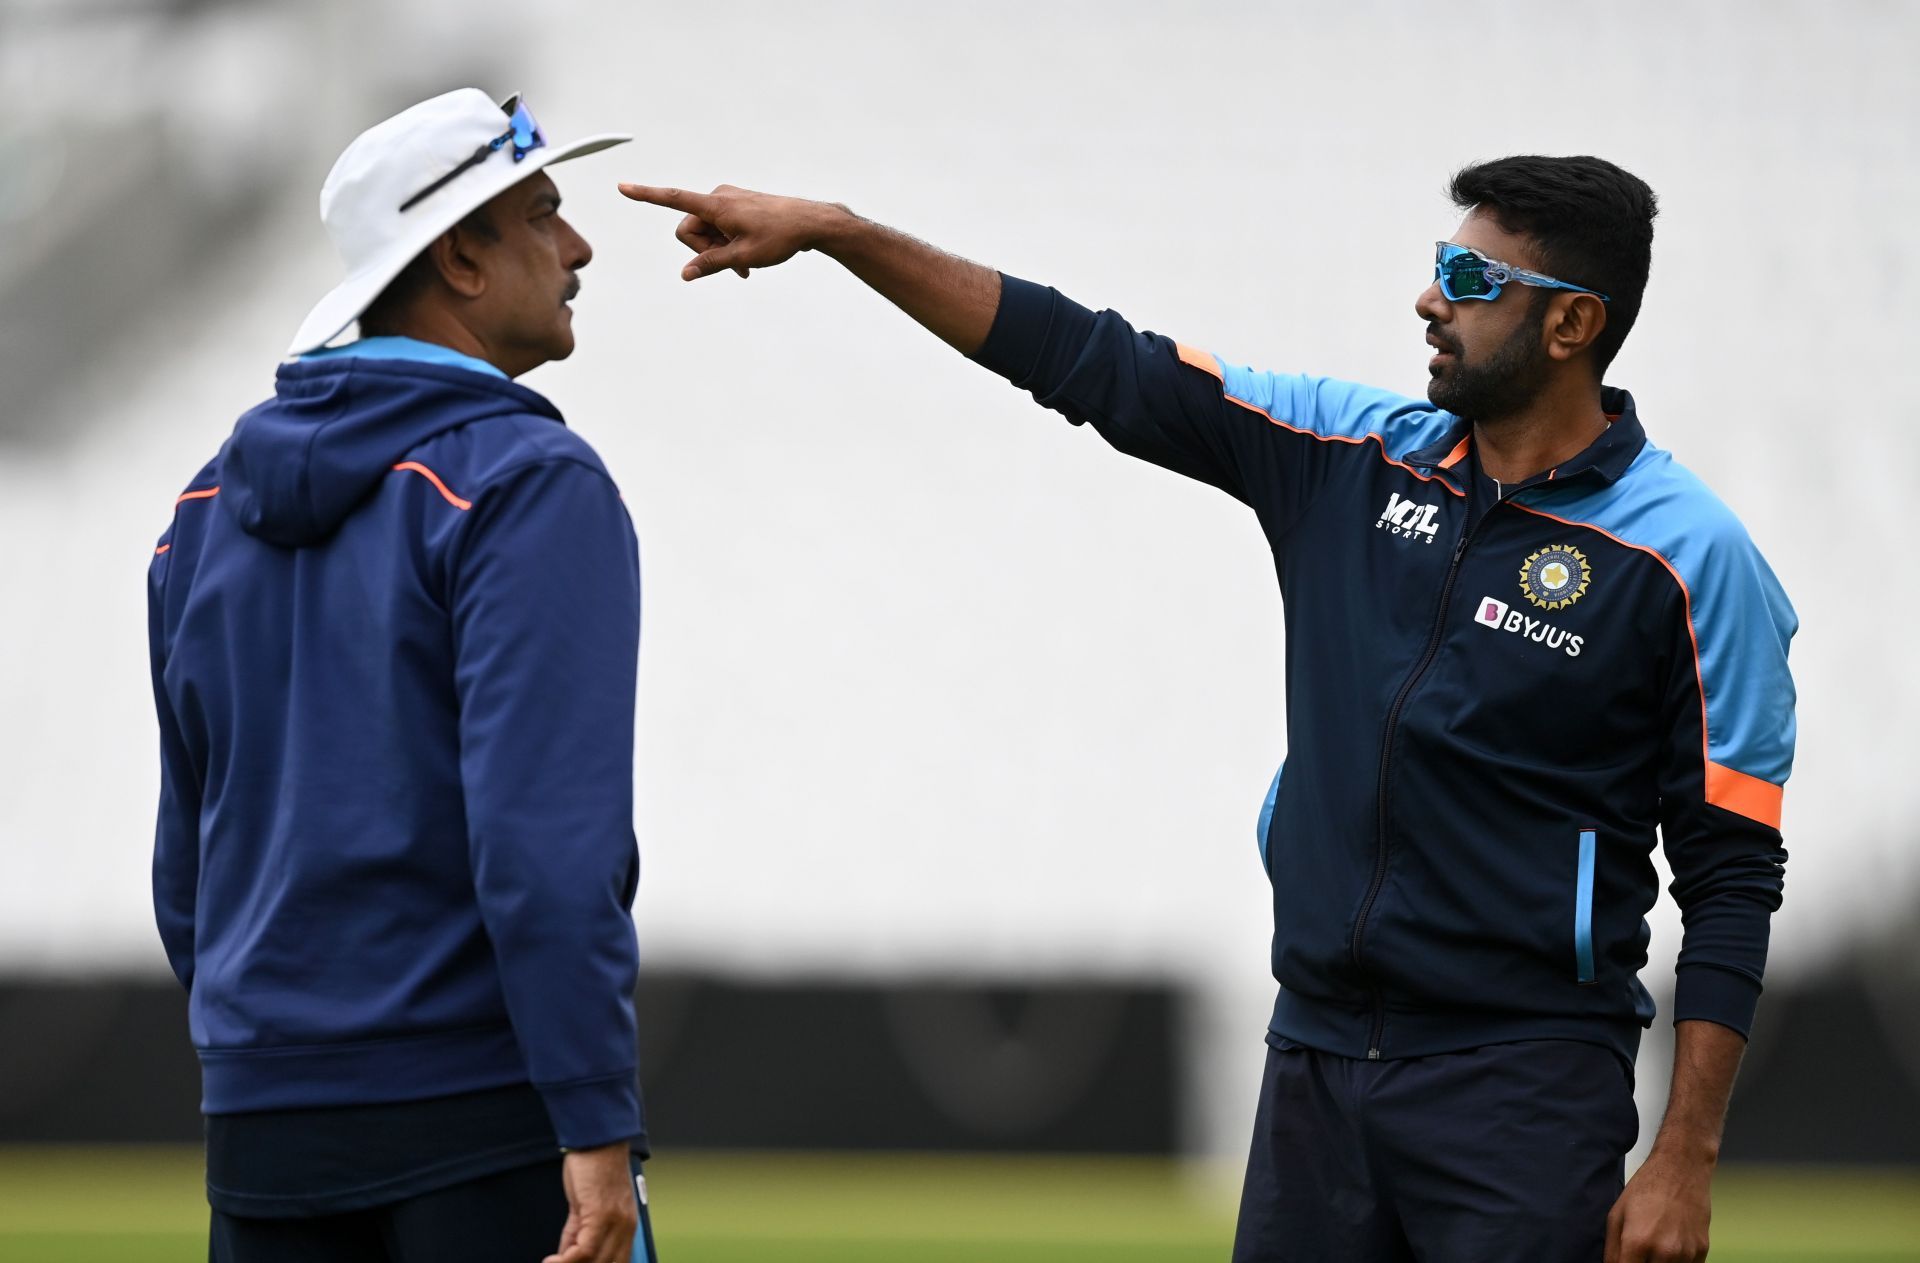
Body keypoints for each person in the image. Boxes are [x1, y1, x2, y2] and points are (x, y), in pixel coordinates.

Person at [616, 156, 1795, 1263]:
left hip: (1522, 1089)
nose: (1431, 300)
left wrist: (1684, 1153)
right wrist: (845, 236)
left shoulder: (1691, 556)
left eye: (1472, 280)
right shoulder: (1353, 453)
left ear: (1572, 323)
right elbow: (1096, 363)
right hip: (1315, 1068)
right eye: (1441, 264)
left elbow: (1732, 872)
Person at [147, 89, 656, 1263]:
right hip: (481, 1124)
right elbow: (543, 845)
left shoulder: (201, 509)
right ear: (461, 258)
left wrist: (267, 1067)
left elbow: (193, 857)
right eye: (543, 213)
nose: (577, 247)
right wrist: (592, 1111)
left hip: (262, 1133)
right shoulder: (528, 482)